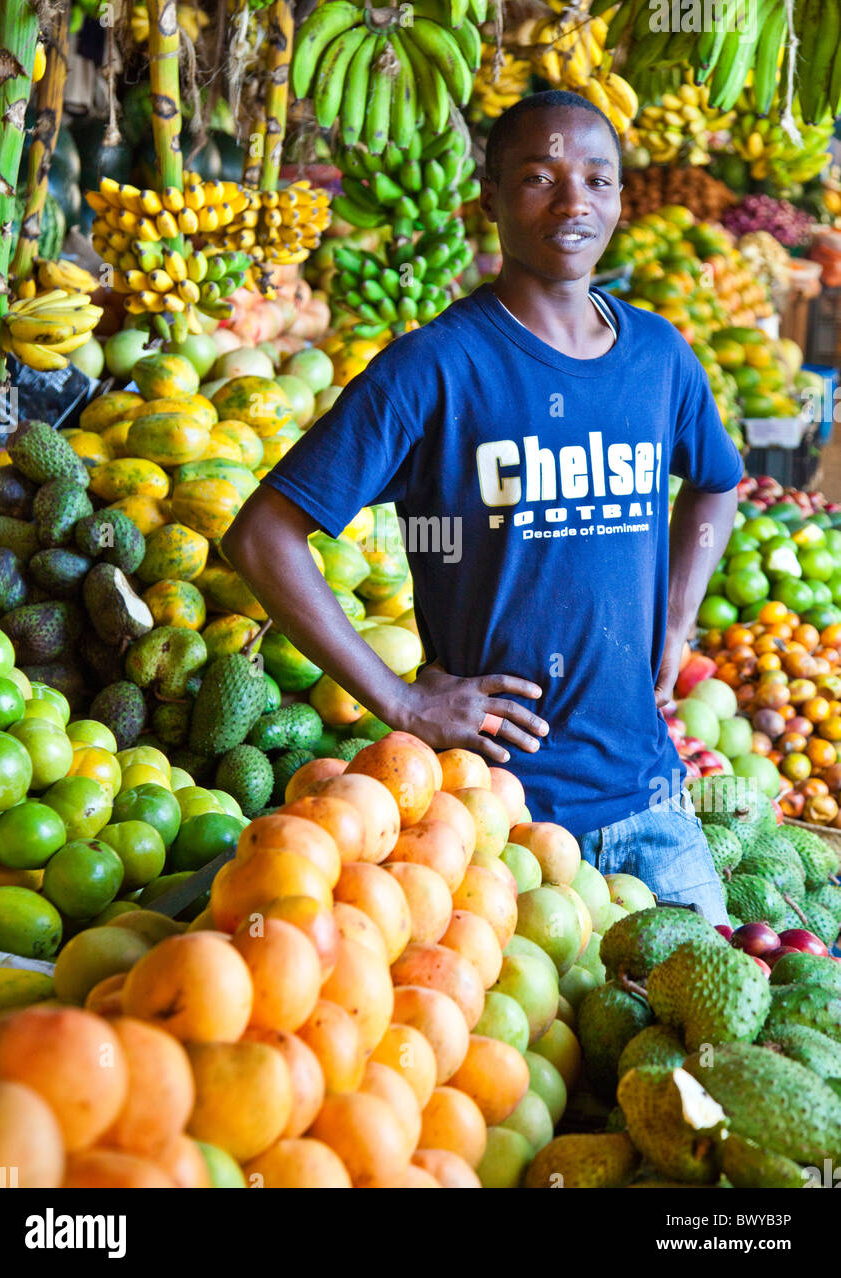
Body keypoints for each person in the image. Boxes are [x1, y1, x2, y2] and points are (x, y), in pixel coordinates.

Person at [221, 90, 742, 924]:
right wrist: (400, 701)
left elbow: (717, 480)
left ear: (618, 196)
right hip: (494, 816)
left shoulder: (659, 356)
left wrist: (677, 621)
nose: (574, 202)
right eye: (539, 177)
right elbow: (262, 536)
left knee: (710, 1034)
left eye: (597, 179)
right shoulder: (433, 369)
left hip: (652, 802)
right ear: (489, 199)